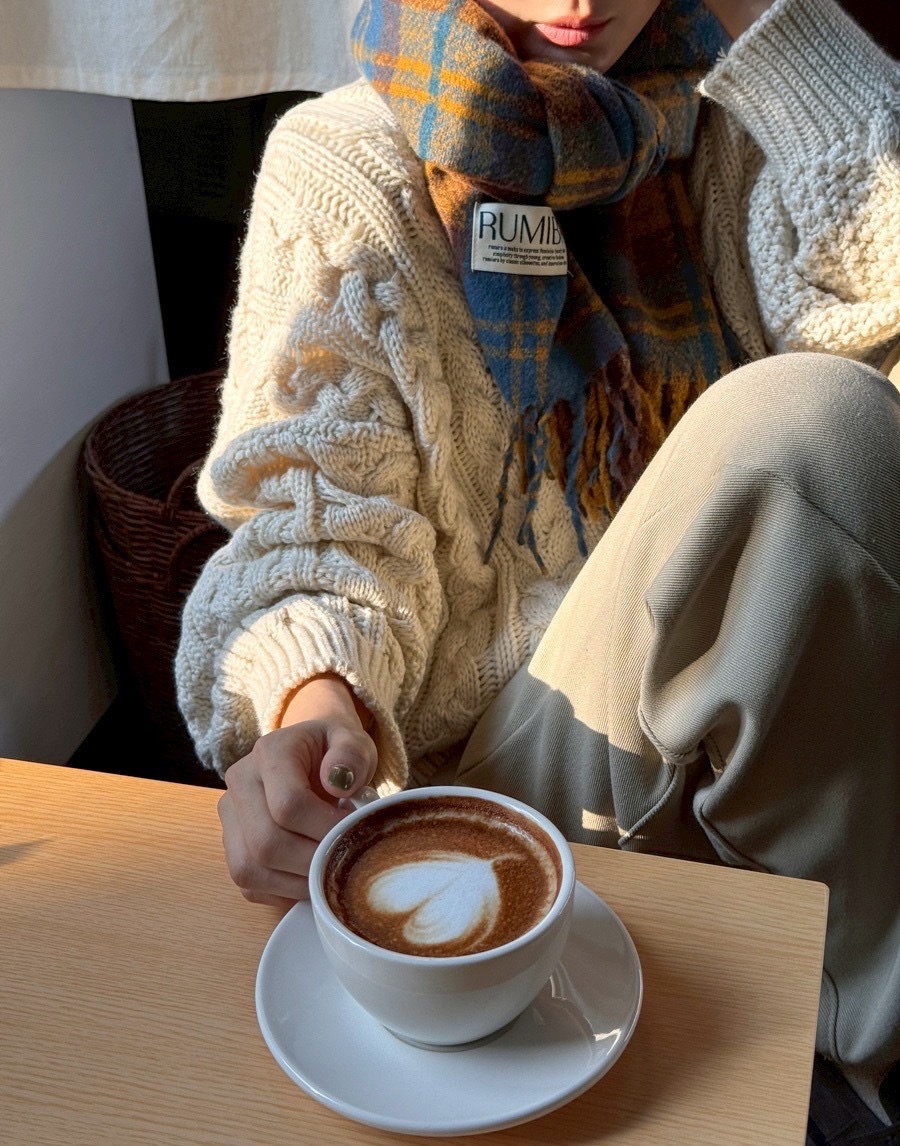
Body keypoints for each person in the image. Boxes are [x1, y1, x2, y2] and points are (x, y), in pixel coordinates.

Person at [175, 0, 899, 1123]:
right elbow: (314, 521)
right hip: (517, 777)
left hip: (759, 717)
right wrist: (313, 701)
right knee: (798, 429)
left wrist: (779, 26)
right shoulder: (344, 165)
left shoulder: (734, 110)